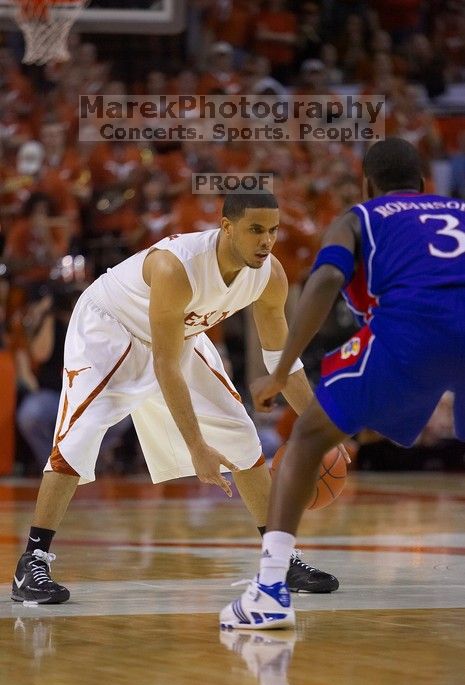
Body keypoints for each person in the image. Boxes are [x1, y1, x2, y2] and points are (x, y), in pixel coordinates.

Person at [11, 191, 340, 604]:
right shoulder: (176, 266)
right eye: (256, 229)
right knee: (79, 437)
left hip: (178, 333)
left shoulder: (270, 275)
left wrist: (322, 427)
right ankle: (32, 562)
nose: (267, 241)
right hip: (111, 327)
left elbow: (284, 365)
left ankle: (279, 559)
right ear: (227, 227)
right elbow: (166, 365)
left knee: (241, 435)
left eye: (273, 230)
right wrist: (196, 446)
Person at [220, 137, 465, 629]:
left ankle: (269, 591)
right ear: (425, 183)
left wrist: (282, 366)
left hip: (413, 326)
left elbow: (326, 280)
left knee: (307, 440)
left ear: (367, 184)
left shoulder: (360, 217)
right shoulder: (459, 209)